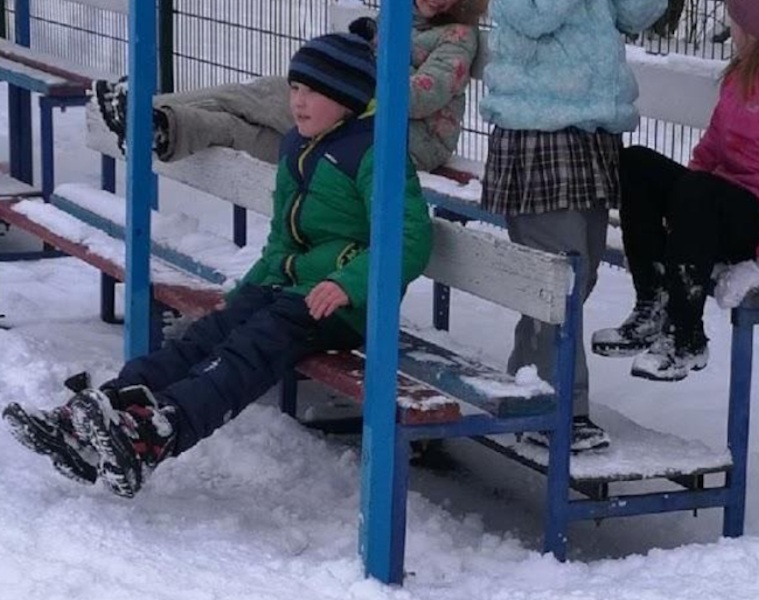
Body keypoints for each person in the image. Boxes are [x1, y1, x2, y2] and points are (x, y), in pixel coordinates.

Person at [2, 32, 433, 499]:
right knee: (200, 338)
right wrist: (248, 289)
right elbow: (283, 236)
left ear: (347, 99)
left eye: (313, 92)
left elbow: (409, 237)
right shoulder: (297, 145)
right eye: (294, 88)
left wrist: (348, 284)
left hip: (338, 305)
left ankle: (157, 433)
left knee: (246, 351)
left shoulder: (376, 153)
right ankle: (99, 414)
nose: (297, 101)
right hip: (285, 287)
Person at [479, 0, 668, 452]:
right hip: (537, 132)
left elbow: (636, 15)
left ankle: (529, 387)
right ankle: (558, 407)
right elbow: (533, 17)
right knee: (558, 281)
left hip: (593, 132)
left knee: (580, 277)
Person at [592, 0, 759, 381]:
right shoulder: (742, 76)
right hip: (719, 207)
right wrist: (686, 220)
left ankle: (685, 336)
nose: (732, 32)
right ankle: (653, 302)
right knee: (635, 163)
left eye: (737, 24)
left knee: (700, 190)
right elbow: (708, 154)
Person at [93, 0, 487, 172]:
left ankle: (142, 108)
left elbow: (420, 97)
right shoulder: (393, 17)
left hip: (408, 143)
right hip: (362, 127)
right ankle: (160, 125)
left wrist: (353, 74)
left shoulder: (457, 36)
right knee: (246, 129)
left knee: (255, 95)